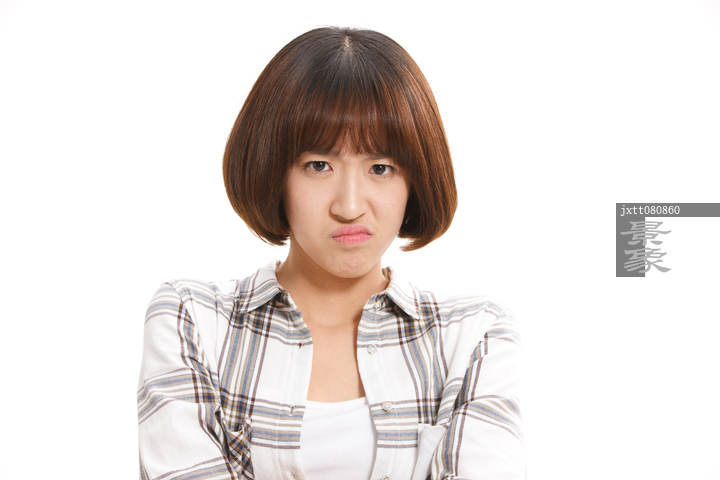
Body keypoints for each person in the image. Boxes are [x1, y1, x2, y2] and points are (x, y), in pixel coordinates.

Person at [137, 27, 524, 480]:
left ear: (414, 181)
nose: (350, 206)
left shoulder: (474, 337)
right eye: (319, 165)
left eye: (381, 168)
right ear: (273, 171)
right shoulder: (195, 321)